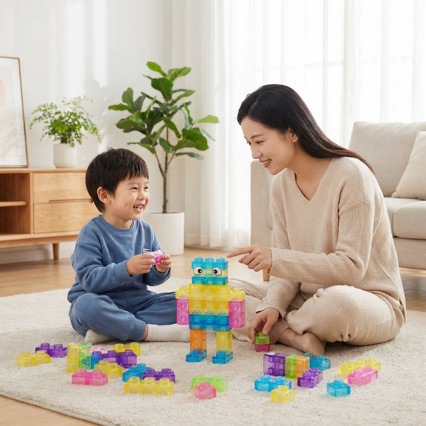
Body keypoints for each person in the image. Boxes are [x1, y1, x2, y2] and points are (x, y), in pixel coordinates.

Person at [228, 84, 406, 355]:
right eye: (249, 143)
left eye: (260, 141)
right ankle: (296, 337)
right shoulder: (281, 186)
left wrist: (276, 259)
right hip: (307, 299)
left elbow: (351, 267)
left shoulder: (352, 176)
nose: (254, 153)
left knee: (335, 305)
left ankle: (281, 329)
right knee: (217, 292)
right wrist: (273, 304)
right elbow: (286, 273)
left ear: (292, 132)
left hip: (367, 301)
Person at [67, 148, 189, 344]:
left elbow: (151, 279)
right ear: (105, 195)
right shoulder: (91, 233)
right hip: (99, 301)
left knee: (188, 301)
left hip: (140, 302)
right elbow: (89, 280)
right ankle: (148, 331)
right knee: (85, 307)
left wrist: (160, 269)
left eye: (145, 188)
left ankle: (114, 328)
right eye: (134, 188)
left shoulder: (146, 230)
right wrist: (127, 268)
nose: (143, 195)